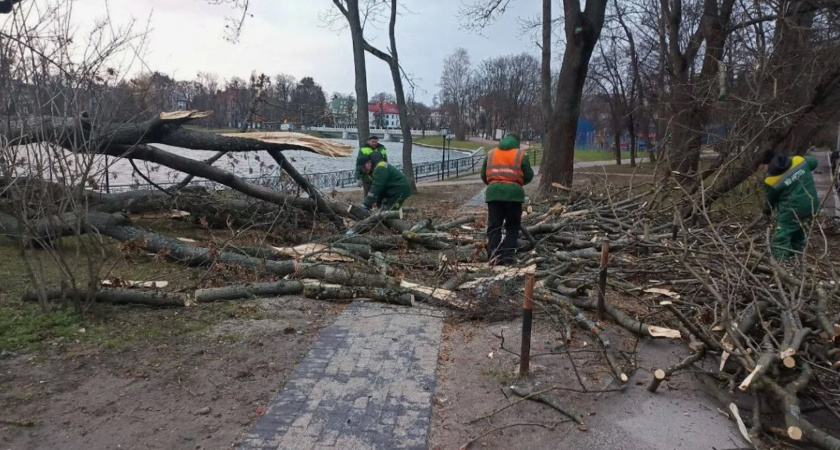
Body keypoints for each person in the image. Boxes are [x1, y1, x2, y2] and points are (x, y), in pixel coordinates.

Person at [481, 132, 534, 266]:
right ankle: (508, 257)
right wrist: (517, 183)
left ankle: (493, 256)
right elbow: (529, 175)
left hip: (494, 194)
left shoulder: (491, 153)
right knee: (513, 226)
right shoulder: (520, 155)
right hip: (514, 196)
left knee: (494, 227)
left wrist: (494, 183)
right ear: (517, 141)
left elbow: (483, 174)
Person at [760, 149, 820, 260]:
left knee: (781, 236)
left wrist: (766, 211)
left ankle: (781, 265)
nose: (763, 169)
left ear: (769, 165)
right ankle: (796, 260)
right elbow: (814, 162)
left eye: (763, 166)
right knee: (799, 232)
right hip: (811, 206)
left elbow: (770, 201)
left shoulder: (770, 181)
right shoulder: (798, 160)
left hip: (791, 210)